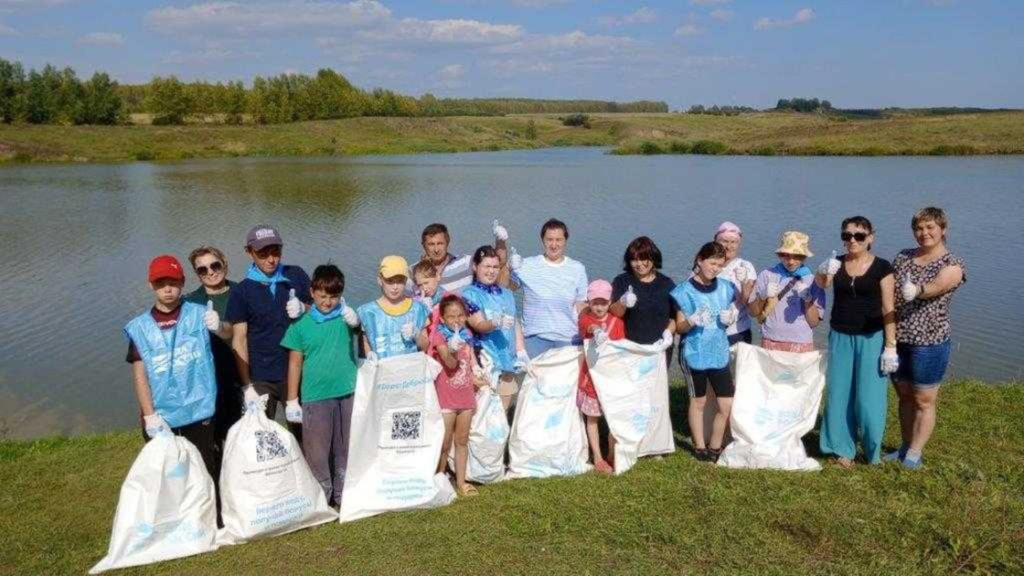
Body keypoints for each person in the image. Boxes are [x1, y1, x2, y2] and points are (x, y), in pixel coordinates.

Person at [125, 255, 219, 482]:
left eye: (173, 282)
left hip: (199, 411)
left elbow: (228, 333)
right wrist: (149, 415)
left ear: (183, 282)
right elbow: (140, 375)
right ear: (151, 285)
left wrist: (220, 325)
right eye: (160, 283)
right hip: (161, 414)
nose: (167, 288)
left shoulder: (199, 315)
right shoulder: (141, 328)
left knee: (205, 469)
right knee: (168, 474)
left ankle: (211, 516)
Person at [887, 207, 966, 469]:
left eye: (930, 227)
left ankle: (915, 453)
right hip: (898, 339)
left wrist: (918, 290)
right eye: (919, 228)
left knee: (924, 399)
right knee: (905, 395)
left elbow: (940, 285)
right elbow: (887, 287)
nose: (924, 233)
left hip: (930, 342)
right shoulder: (903, 257)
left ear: (942, 230)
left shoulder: (952, 263)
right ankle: (904, 446)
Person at [816, 216, 897, 468]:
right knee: (839, 394)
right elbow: (821, 285)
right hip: (840, 335)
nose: (852, 240)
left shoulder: (883, 267)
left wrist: (891, 345)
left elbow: (888, 307)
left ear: (870, 237)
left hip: (871, 338)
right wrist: (822, 271)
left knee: (869, 399)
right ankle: (842, 448)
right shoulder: (836, 264)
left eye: (859, 235)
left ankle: (872, 452)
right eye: (847, 235)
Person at [281, 264, 360, 507]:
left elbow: (361, 331)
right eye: (322, 296)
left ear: (341, 295)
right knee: (317, 451)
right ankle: (320, 500)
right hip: (315, 397)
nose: (327, 302)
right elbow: (295, 364)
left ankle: (343, 495)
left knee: (345, 447)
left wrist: (356, 323)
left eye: (333, 296)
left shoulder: (346, 318)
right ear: (312, 292)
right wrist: (292, 400)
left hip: (347, 393)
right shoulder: (301, 324)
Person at [226, 225, 312, 426]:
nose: (271, 259)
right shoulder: (241, 291)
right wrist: (247, 386)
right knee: (262, 438)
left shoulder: (296, 275)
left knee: (304, 435)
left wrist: (304, 308)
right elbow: (239, 340)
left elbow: (322, 308)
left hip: (298, 369)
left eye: (276, 252)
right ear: (249, 252)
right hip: (261, 376)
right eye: (263, 254)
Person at [671, 242, 740, 462]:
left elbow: (730, 311)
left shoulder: (726, 288)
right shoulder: (683, 291)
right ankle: (700, 447)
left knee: (726, 404)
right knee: (698, 401)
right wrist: (691, 321)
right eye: (712, 263)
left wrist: (731, 319)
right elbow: (679, 327)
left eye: (720, 265)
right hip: (694, 352)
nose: (716, 268)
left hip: (719, 351)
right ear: (700, 260)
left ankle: (715, 445)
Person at [430, 295, 488, 497]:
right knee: (444, 443)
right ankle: (438, 478)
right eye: (451, 316)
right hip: (446, 398)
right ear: (443, 318)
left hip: (466, 397)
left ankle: (461, 482)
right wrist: (453, 349)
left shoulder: (468, 335)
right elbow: (451, 364)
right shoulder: (438, 335)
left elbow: (470, 361)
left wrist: (478, 374)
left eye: (461, 316)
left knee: (462, 441)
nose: (456, 320)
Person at [184, 245, 241, 445]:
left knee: (241, 437)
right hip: (208, 382)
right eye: (202, 269)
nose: (210, 272)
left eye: (214, 265)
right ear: (197, 275)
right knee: (213, 439)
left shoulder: (242, 292)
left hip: (240, 376)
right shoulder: (189, 303)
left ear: (224, 264)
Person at [510, 218, 589, 359]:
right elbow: (506, 288)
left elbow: (581, 305)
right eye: (549, 240)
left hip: (569, 339)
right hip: (535, 339)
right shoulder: (527, 265)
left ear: (565, 241)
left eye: (558, 240)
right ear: (542, 241)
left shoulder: (577, 268)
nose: (554, 245)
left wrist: (593, 328)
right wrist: (508, 268)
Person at [462, 245, 523, 411]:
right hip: (486, 363)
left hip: (508, 361)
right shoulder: (469, 294)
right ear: (475, 267)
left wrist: (521, 351)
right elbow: (478, 325)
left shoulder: (507, 293)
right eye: (486, 266)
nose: (491, 271)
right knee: (483, 415)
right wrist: (495, 323)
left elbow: (515, 323)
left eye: (495, 267)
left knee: (502, 416)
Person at [748, 231, 826, 353]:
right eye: (786, 255)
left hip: (801, 343)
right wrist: (762, 296)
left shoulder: (813, 280)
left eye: (796, 256)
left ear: (803, 257)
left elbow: (814, 322)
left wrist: (808, 300)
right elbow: (753, 312)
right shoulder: (766, 275)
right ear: (780, 255)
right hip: (770, 340)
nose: (791, 261)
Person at [577, 279, 625, 474]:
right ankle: (597, 456)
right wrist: (596, 330)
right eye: (595, 303)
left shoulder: (618, 322)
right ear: (589, 303)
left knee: (614, 419)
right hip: (592, 381)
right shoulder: (586, 319)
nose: (599, 307)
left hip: (612, 380)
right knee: (593, 418)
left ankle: (612, 452)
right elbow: (588, 327)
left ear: (610, 301)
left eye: (603, 303)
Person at [609, 236, 676, 364]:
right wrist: (622, 302)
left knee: (657, 384)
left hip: (659, 348)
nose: (639, 264)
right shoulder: (622, 281)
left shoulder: (666, 284)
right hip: (629, 347)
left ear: (653, 258)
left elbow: (674, 318)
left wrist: (668, 333)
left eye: (644, 258)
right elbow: (614, 312)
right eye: (634, 260)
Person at [357, 255, 430, 358]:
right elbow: (366, 341)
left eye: (400, 281)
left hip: (411, 370)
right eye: (390, 281)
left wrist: (417, 334)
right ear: (379, 280)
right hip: (381, 370)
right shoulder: (368, 312)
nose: (395, 287)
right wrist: (369, 354)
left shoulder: (418, 309)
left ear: (406, 281)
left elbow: (425, 347)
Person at [417, 221, 510, 294]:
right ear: (423, 245)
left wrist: (500, 241)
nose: (436, 249)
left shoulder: (465, 262)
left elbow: (499, 261)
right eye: (431, 244)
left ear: (448, 242)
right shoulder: (414, 271)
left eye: (440, 243)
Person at [713, 222, 757, 345]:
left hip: (737, 332)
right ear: (716, 242)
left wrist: (744, 282)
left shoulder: (745, 266)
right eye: (724, 241)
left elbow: (749, 304)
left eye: (734, 242)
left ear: (739, 244)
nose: (729, 246)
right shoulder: (708, 265)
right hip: (710, 331)